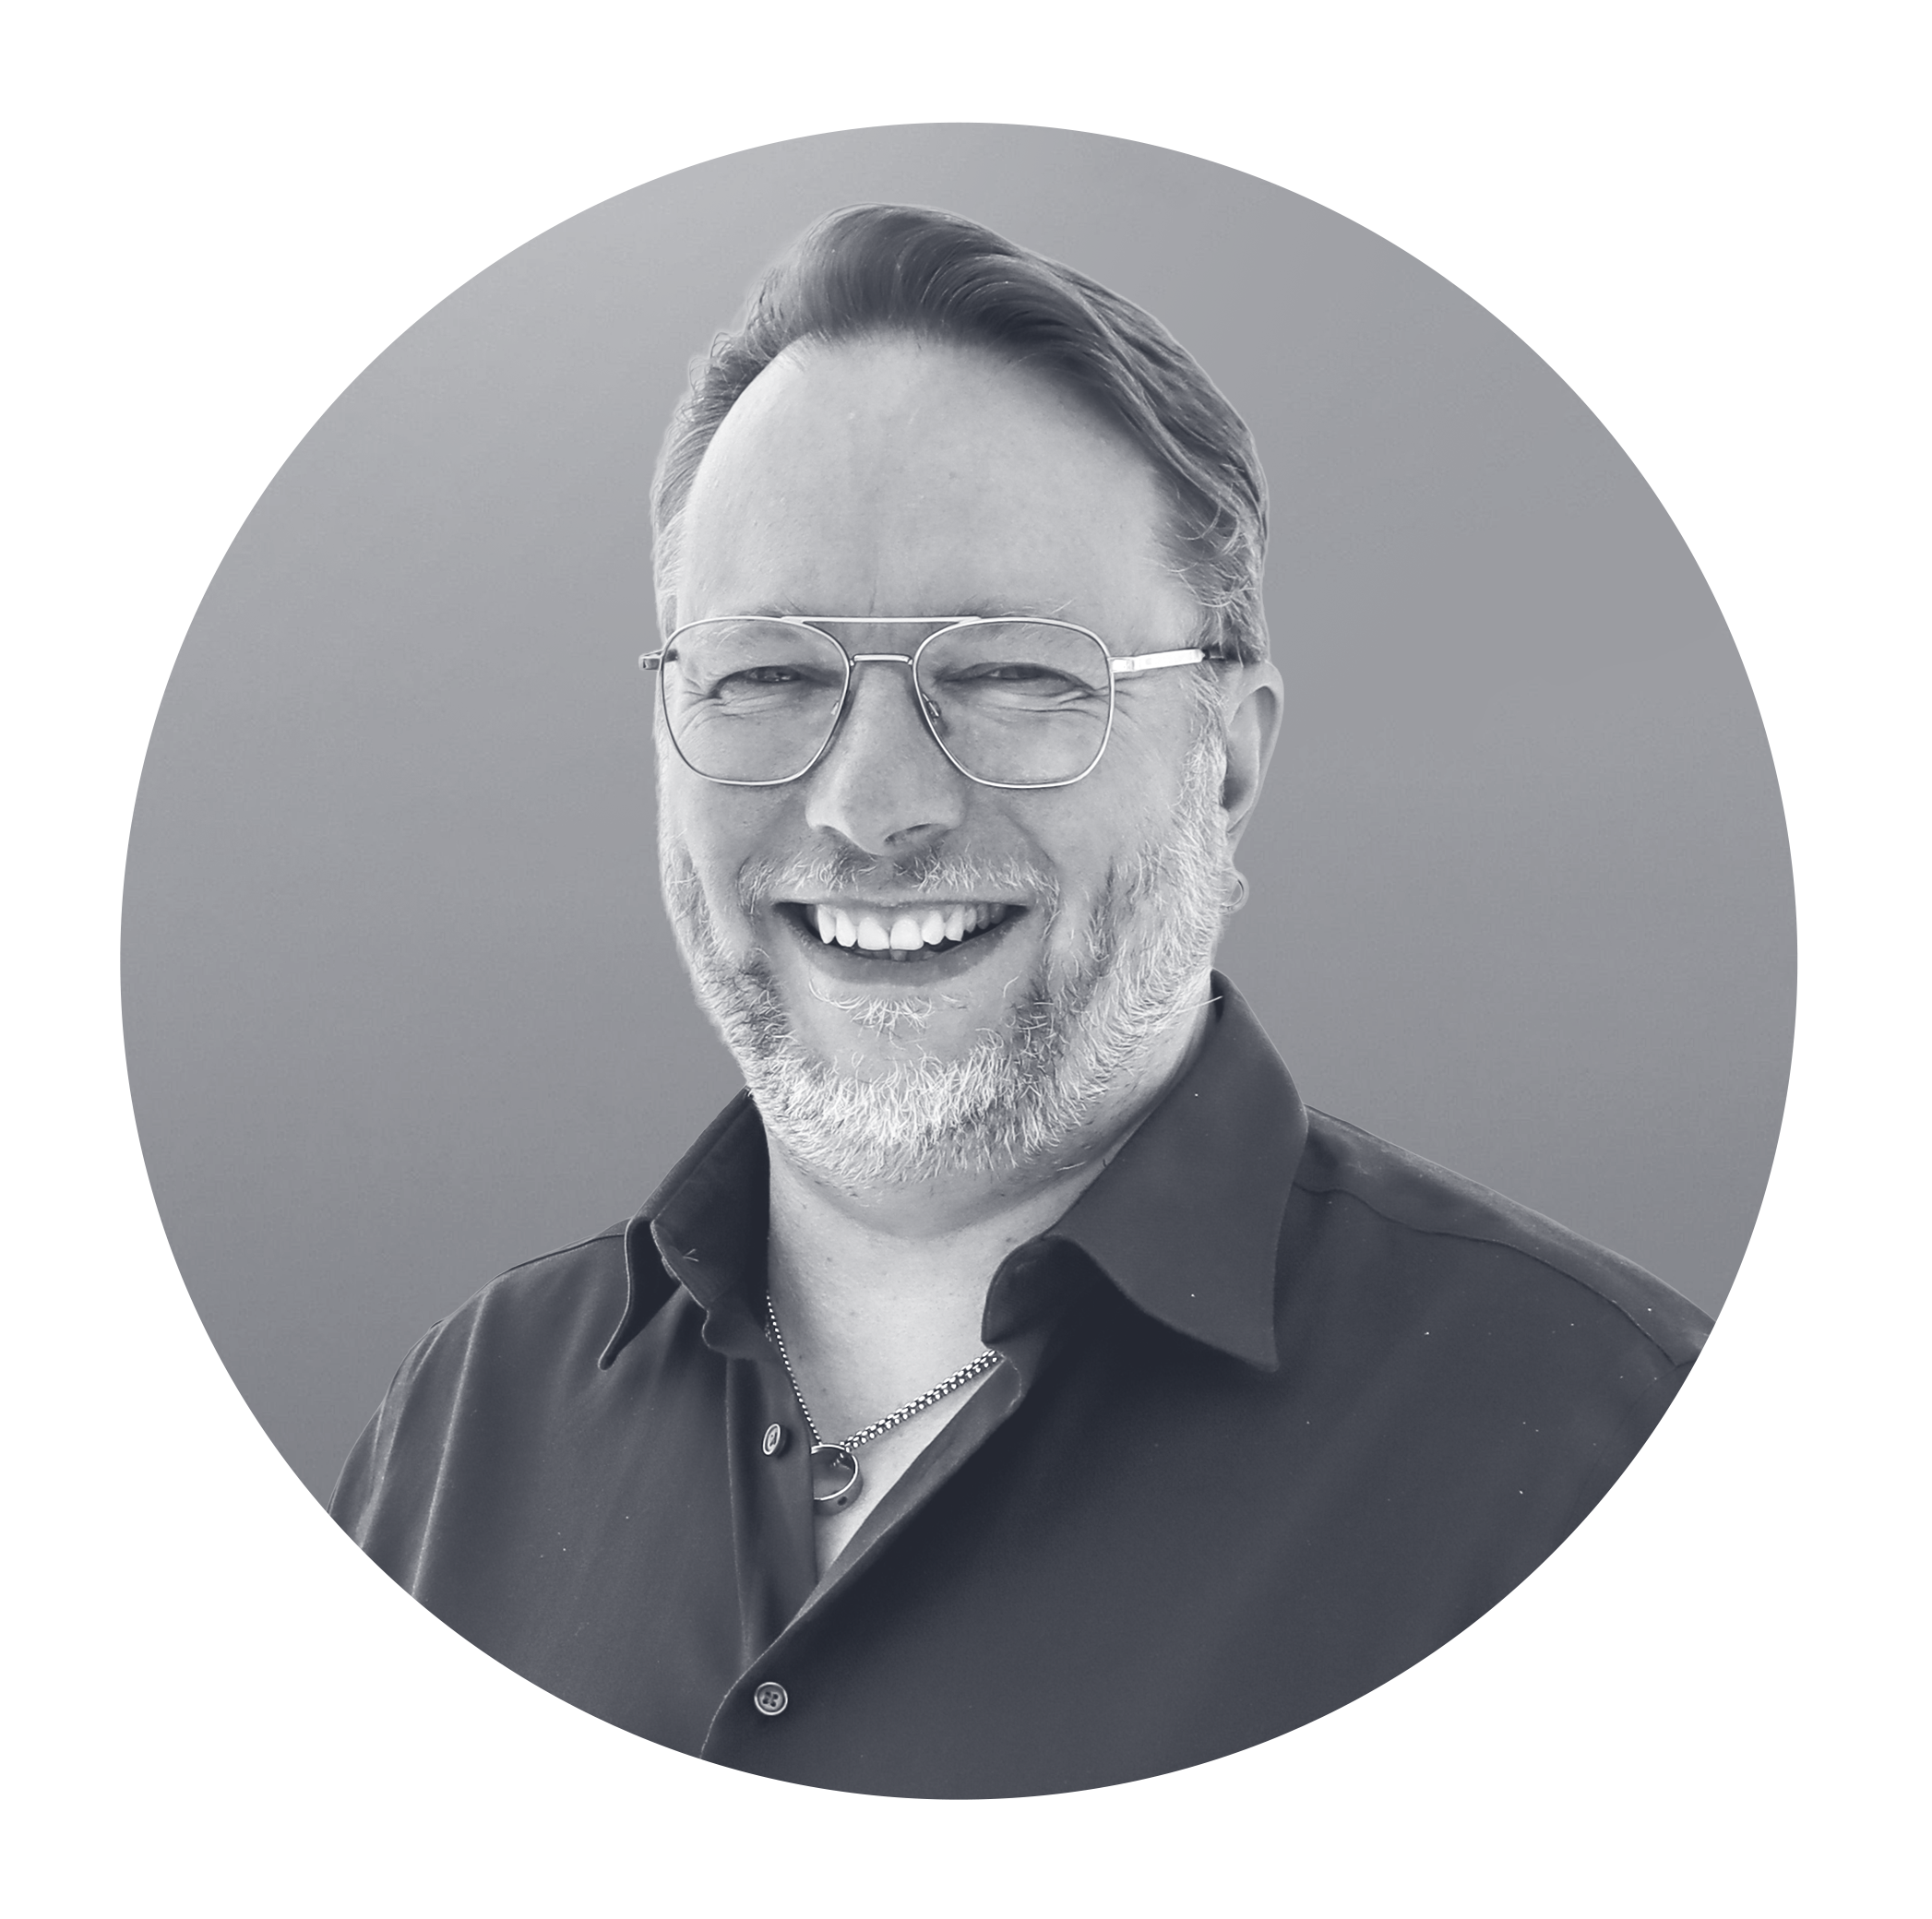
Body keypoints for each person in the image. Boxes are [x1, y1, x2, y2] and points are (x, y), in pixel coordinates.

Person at [328, 204, 1739, 1796]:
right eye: (765, 675)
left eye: (1007, 674)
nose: (868, 810)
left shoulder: (1628, 1464)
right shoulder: (470, 1425)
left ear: (1230, 750)